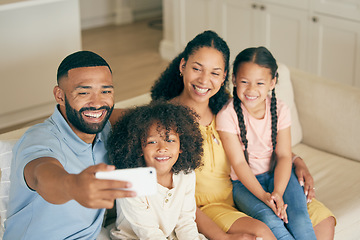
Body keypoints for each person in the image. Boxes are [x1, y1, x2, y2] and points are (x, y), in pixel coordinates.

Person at [151, 30, 335, 240]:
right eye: (196, 68)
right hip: (212, 206)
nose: (204, 80)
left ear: (224, 78)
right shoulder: (164, 121)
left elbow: (261, 144)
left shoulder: (228, 107)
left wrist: (296, 160)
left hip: (253, 188)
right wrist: (222, 237)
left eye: (214, 73)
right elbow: (172, 194)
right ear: (183, 66)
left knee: (323, 221)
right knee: (264, 234)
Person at [3, 51, 135, 240]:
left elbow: (148, 116)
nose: (97, 103)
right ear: (59, 95)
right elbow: (42, 175)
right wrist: (73, 186)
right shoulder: (39, 138)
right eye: (83, 92)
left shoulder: (103, 128)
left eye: (106, 91)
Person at [216, 46, 316, 239]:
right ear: (234, 79)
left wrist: (277, 192)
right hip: (245, 184)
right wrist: (264, 196)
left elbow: (285, 155)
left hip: (280, 175)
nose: (251, 90)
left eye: (260, 83)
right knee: (271, 223)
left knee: (301, 221)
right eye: (244, 81)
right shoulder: (226, 116)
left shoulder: (280, 109)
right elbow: (238, 163)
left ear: (272, 82)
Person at [107, 102, 206, 239]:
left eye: (170, 140)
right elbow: (149, 234)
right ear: (138, 148)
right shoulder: (130, 182)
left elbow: (185, 221)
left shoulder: (186, 174)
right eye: (152, 142)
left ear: (182, 146)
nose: (162, 148)